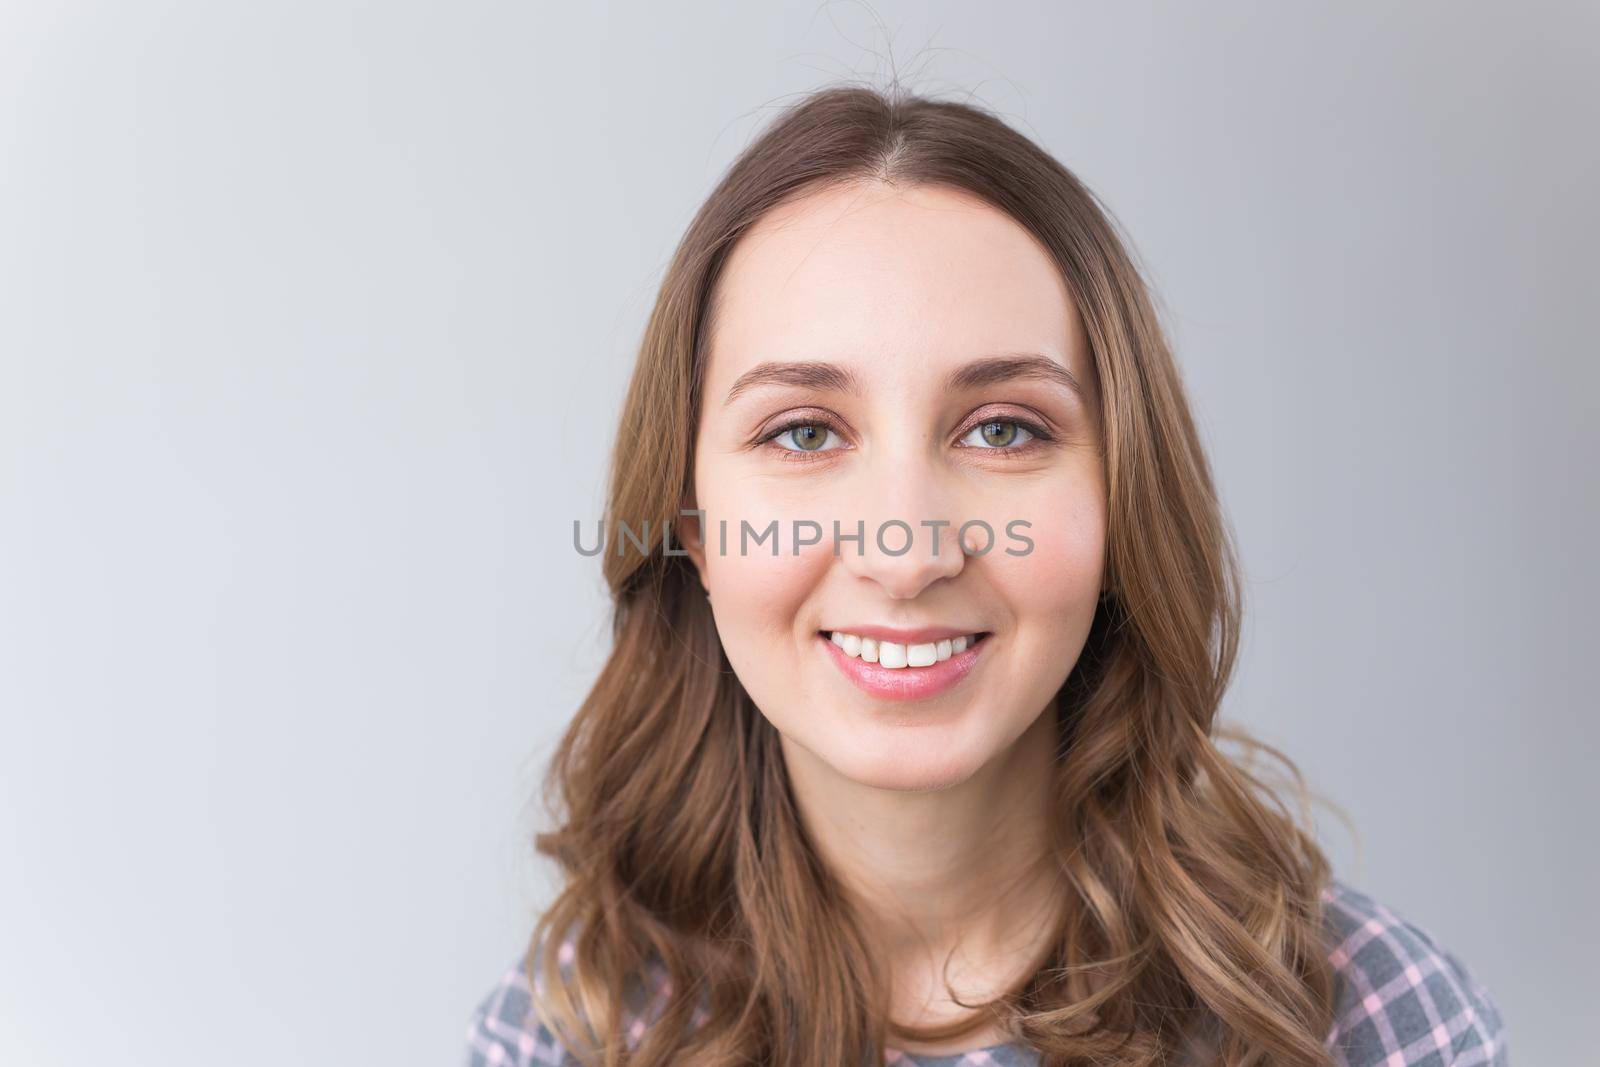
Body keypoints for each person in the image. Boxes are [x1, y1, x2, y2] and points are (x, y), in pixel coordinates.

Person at [464, 84, 1508, 1066]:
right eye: (803, 431)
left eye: (1003, 428)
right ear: (691, 526)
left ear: (1121, 505)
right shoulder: (577, 1025)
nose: (906, 555)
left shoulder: (1365, 1020)